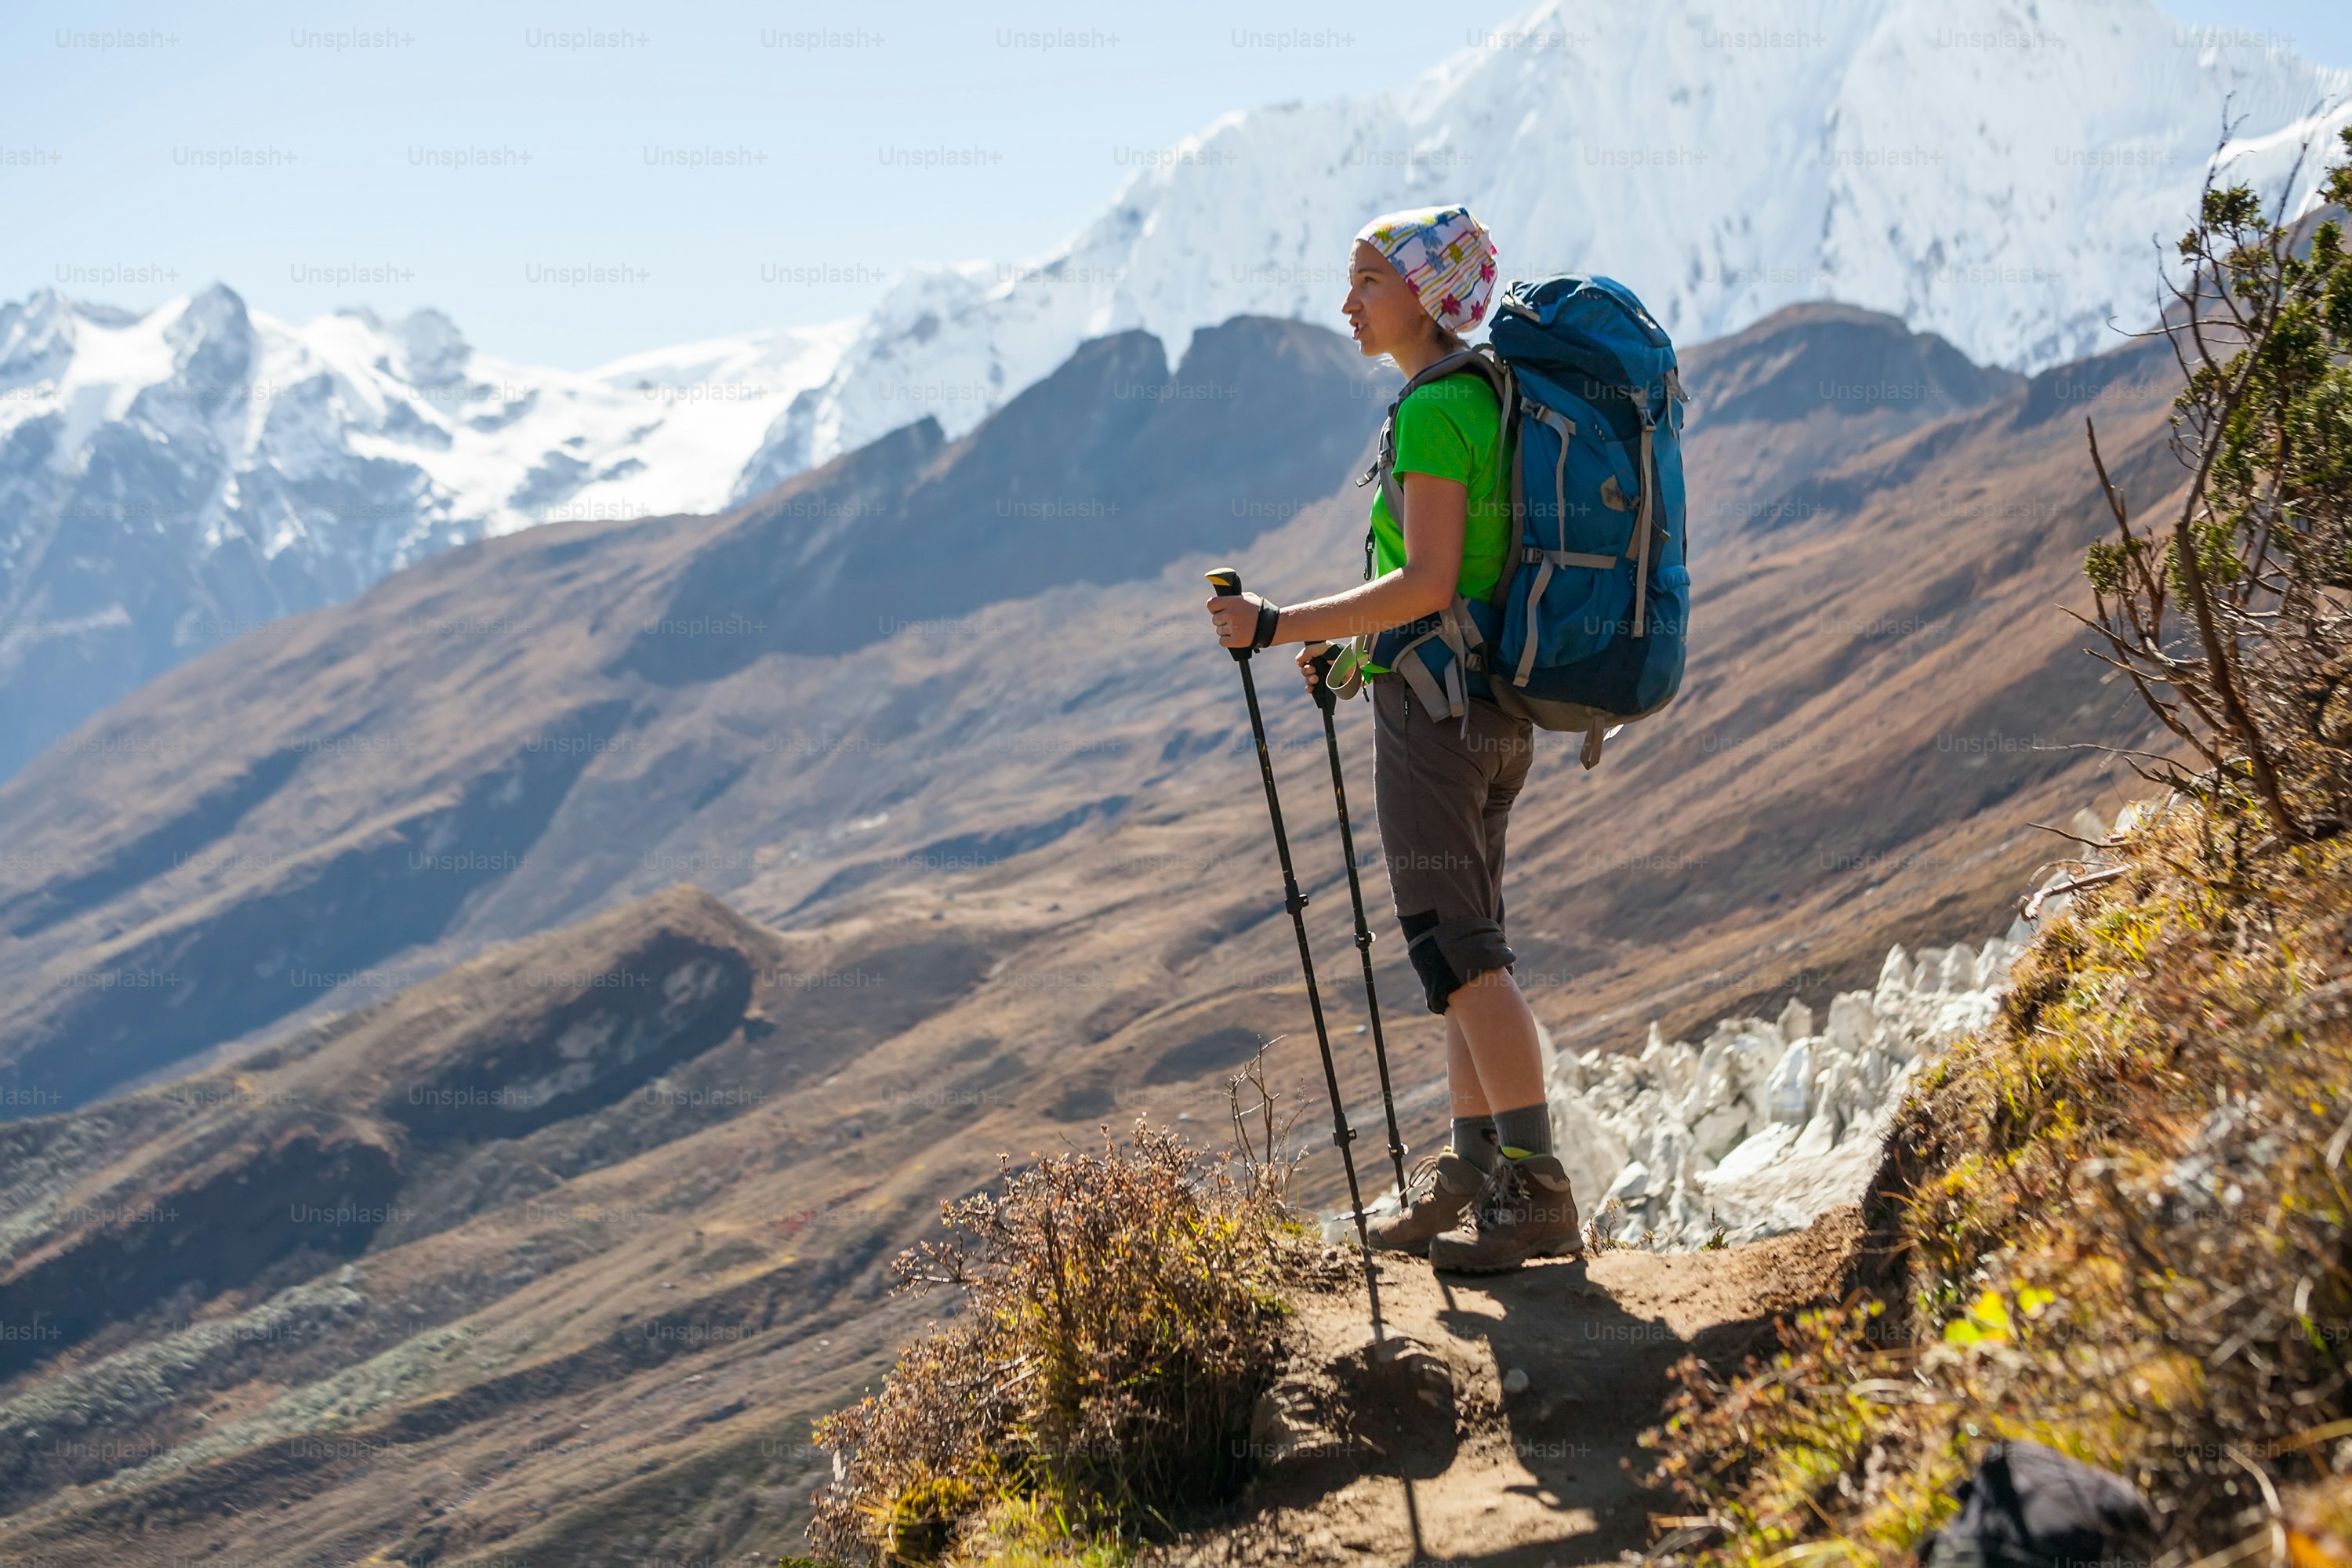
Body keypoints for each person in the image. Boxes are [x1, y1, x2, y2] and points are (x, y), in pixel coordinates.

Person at [1203, 205, 1579, 1273]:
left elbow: (1427, 580)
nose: (1349, 301)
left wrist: (1280, 625)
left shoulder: (1431, 411)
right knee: (1462, 945)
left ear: (1423, 289)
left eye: (1368, 278)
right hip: (1491, 707)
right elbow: (1456, 583)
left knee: (1463, 953)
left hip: (1438, 720)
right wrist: (1354, 652)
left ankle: (1538, 1188)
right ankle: (1473, 1171)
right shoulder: (1485, 394)